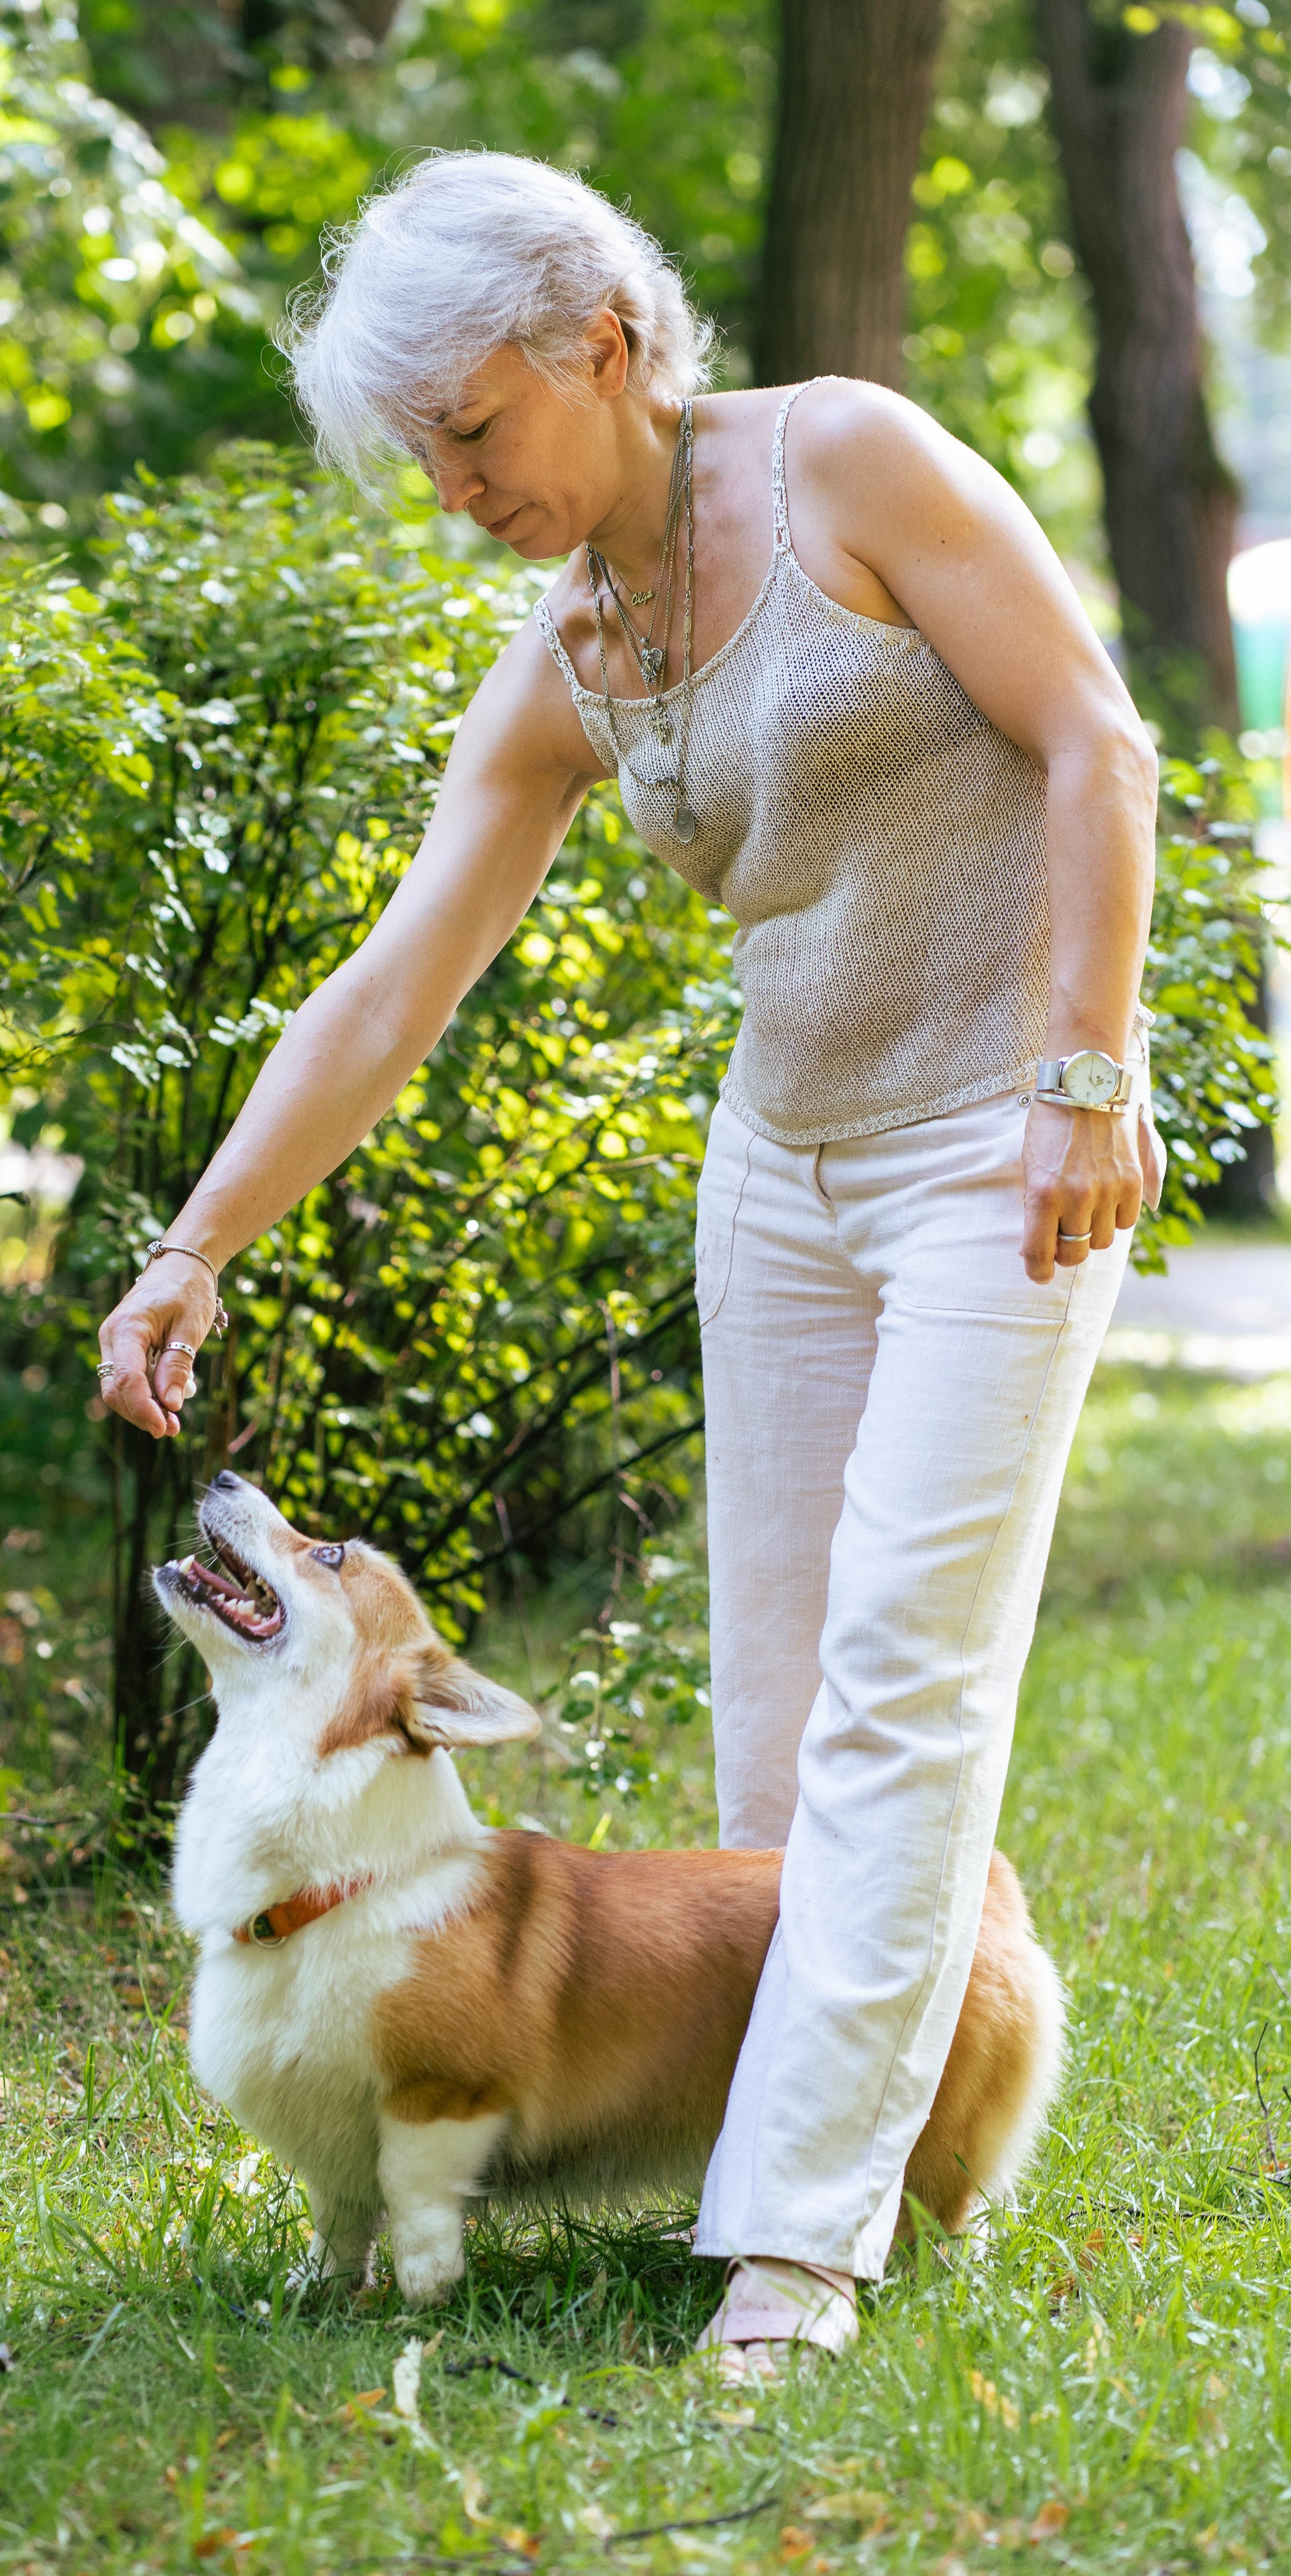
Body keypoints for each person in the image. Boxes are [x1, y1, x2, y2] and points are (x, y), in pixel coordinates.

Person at [96, 151, 1162, 2378]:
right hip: (785, 1170)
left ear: (603, 335)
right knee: (780, 1725)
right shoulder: (581, 644)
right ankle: (802, 2131)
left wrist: (1089, 1068)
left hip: (998, 1145)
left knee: (900, 1683)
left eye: (474, 429)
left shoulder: (848, 459)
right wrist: (197, 1241)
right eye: (427, 456)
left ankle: (794, 2240)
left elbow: (1096, 736)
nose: (456, 483)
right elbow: (390, 990)